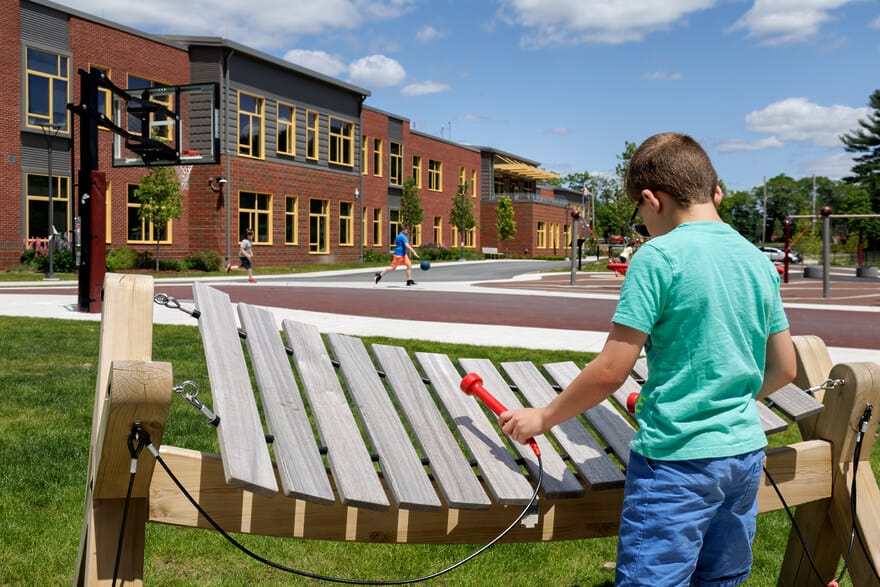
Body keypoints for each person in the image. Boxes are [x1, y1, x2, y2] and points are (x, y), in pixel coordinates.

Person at [498, 132, 796, 586]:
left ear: (652, 200)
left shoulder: (657, 257)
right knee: (722, 577)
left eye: (639, 213)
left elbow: (611, 371)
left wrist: (543, 417)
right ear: (715, 192)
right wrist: (722, 400)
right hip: (744, 455)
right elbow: (785, 368)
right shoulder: (757, 261)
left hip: (677, 460)